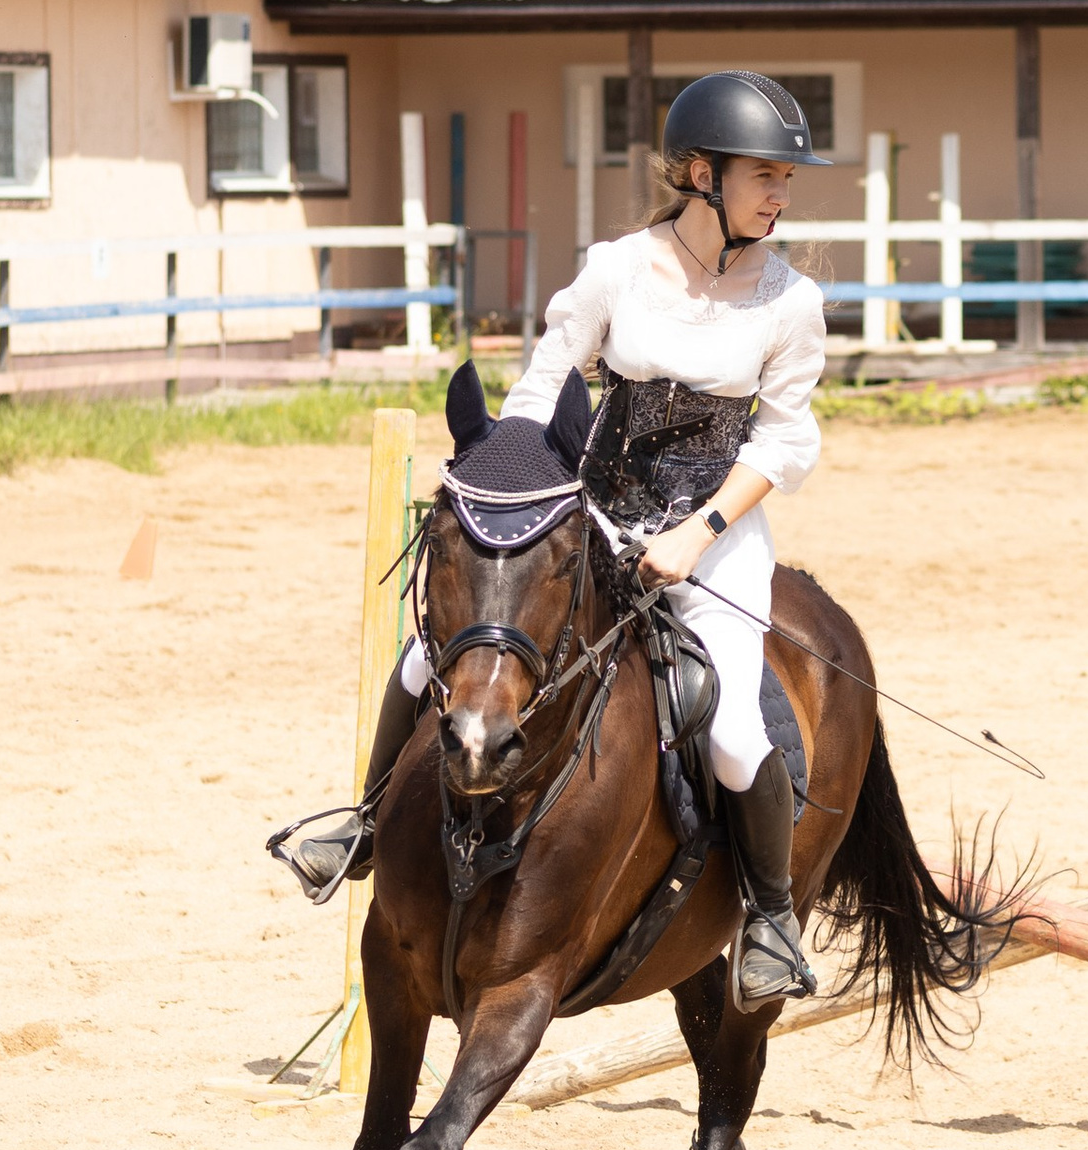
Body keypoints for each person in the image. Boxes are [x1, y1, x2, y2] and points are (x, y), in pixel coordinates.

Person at [298, 71, 833, 1014]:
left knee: (740, 732)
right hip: (590, 510)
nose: (781, 193)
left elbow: (784, 441)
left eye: (786, 177)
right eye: (765, 174)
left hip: (716, 533)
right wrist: (507, 493)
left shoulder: (788, 301)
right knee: (434, 662)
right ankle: (365, 825)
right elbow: (543, 389)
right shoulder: (619, 268)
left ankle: (770, 918)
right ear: (702, 174)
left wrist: (698, 536)